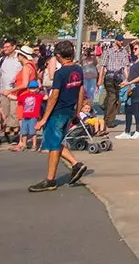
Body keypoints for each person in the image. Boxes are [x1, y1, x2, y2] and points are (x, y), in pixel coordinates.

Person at [29, 39, 87, 192]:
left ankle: (50, 179)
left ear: (59, 56)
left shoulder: (60, 73)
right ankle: (75, 164)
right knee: (57, 141)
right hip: (69, 111)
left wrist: (44, 118)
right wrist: (78, 111)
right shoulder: (78, 70)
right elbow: (81, 90)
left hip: (58, 112)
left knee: (53, 145)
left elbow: (54, 95)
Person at [117, 41, 139, 140]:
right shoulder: (135, 60)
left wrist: (129, 83)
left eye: (136, 49)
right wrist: (126, 81)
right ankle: (127, 131)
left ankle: (138, 131)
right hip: (130, 85)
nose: (134, 50)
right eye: (134, 49)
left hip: (137, 86)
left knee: (135, 108)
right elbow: (131, 74)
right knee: (128, 108)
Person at [17, 75, 43, 152]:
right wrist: (8, 94)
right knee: (24, 131)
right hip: (25, 116)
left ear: (37, 88)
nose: (32, 90)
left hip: (33, 116)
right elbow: (17, 99)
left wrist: (43, 89)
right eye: (31, 88)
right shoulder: (24, 96)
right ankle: (24, 144)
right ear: (28, 88)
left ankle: (34, 145)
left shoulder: (38, 96)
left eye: (34, 88)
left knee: (33, 132)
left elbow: (46, 97)